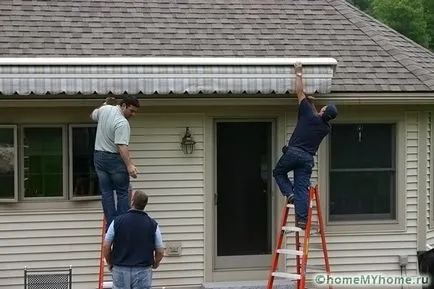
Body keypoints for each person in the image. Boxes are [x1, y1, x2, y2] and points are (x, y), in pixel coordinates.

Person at [272, 62, 338, 230]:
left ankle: (289, 193)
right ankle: (302, 220)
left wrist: (299, 72)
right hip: (307, 159)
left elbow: (299, 92)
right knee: (302, 188)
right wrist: (309, 101)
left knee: (278, 172)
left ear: (323, 111)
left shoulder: (309, 114)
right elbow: (315, 113)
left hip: (294, 153)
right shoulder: (325, 127)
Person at [91, 95, 140, 230]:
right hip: (113, 159)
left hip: (99, 157)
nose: (133, 114)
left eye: (135, 112)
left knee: (106, 192)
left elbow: (93, 115)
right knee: (123, 192)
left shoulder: (105, 109)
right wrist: (129, 165)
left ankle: (111, 224)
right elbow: (122, 146)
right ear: (124, 106)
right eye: (131, 111)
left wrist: (104, 104)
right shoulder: (122, 123)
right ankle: (122, 225)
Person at [102, 190, 165, 289]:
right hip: (143, 270)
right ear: (145, 204)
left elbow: (106, 246)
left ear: (132, 201)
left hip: (120, 269)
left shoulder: (117, 221)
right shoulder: (152, 224)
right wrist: (155, 263)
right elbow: (160, 251)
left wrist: (110, 262)